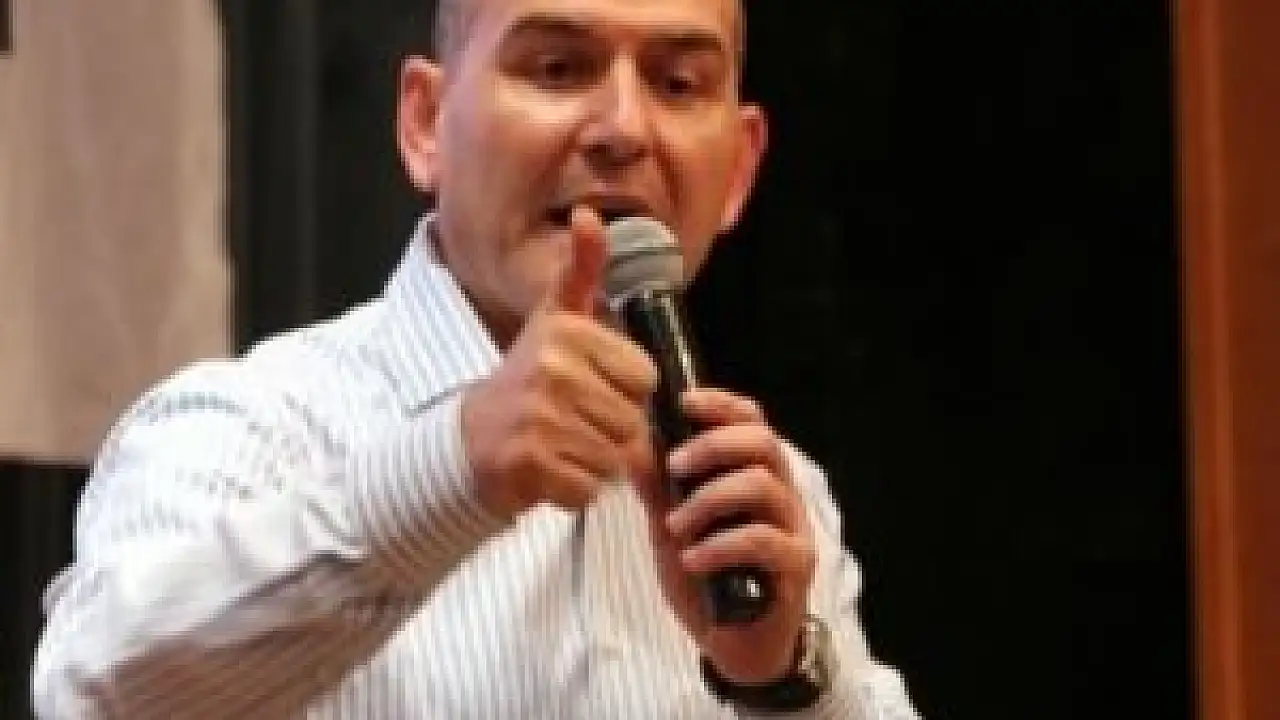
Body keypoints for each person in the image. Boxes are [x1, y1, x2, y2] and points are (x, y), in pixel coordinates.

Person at [32, 0, 920, 716]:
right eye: (559, 68)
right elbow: (91, 692)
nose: (622, 128)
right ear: (425, 123)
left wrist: (784, 681)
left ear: (740, 170)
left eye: (678, 83)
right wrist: (451, 472)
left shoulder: (768, 502)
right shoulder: (249, 429)